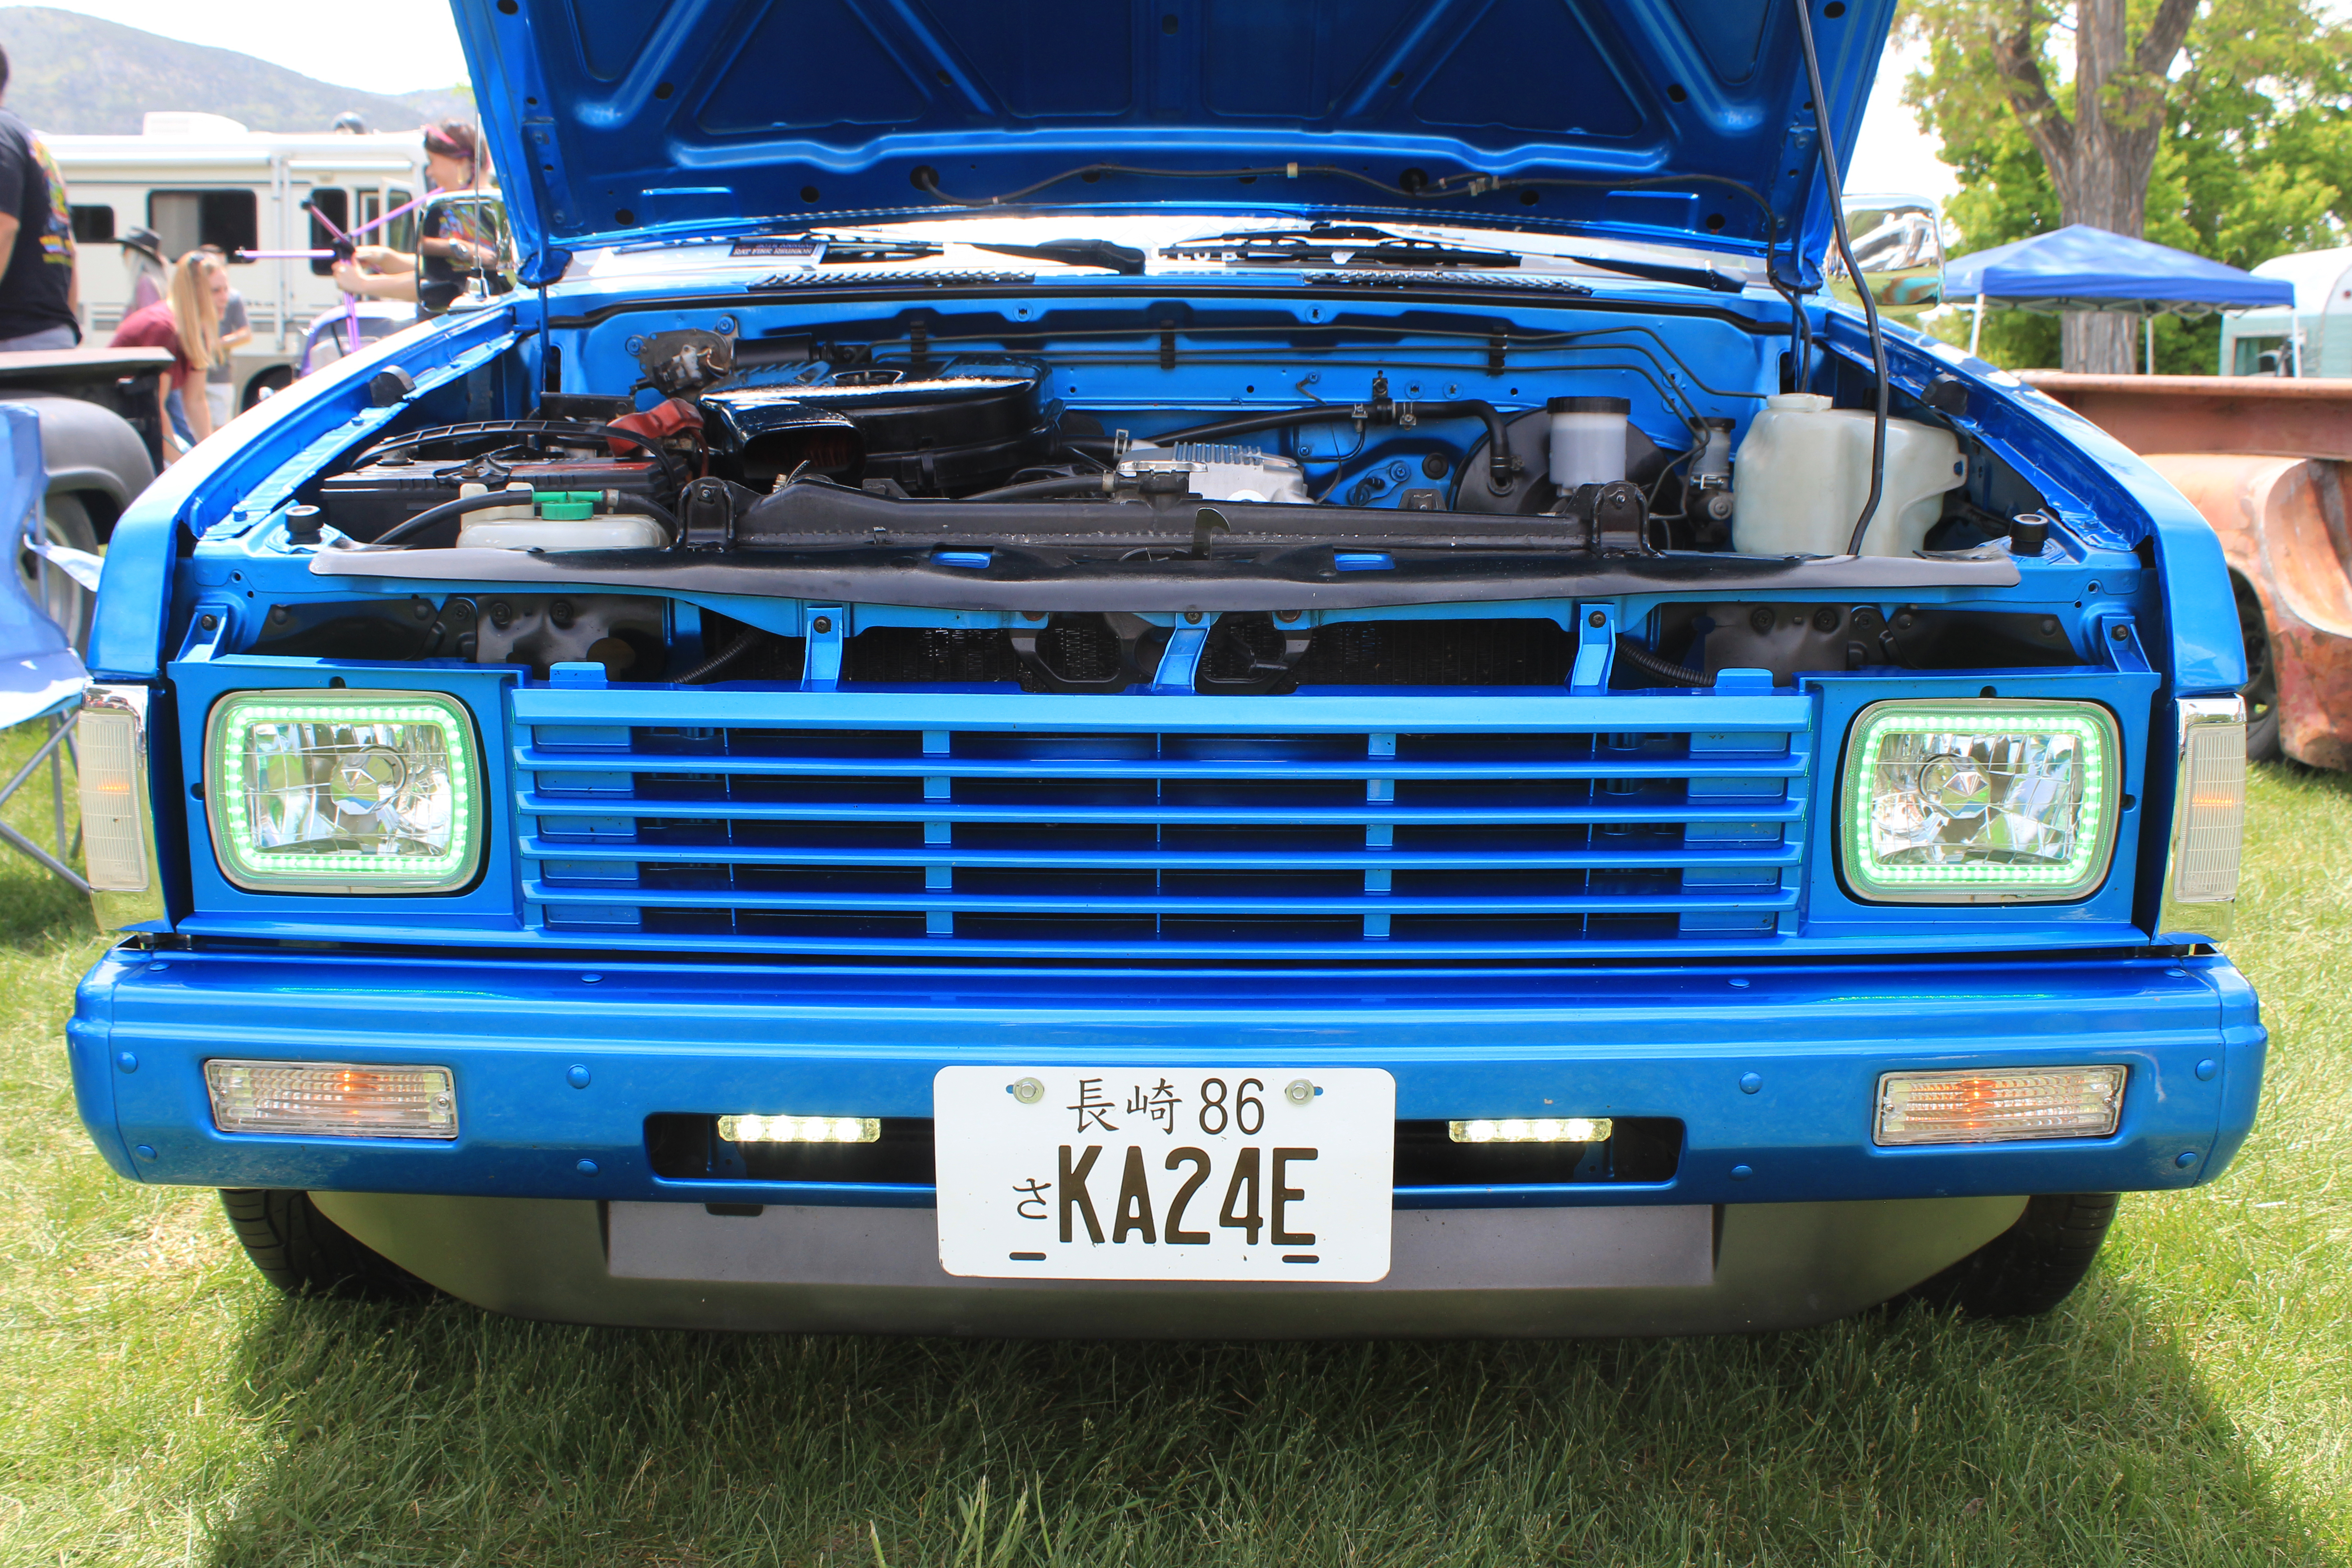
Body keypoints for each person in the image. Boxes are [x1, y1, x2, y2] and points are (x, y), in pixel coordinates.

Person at [334, 121, 504, 315]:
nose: (430, 172)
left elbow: (443, 285)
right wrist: (387, 258)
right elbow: (436, 269)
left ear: (461, 163)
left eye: (432, 161)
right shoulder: (463, 208)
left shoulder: (484, 210)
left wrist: (364, 284)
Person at [109, 249, 225, 465]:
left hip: (142, 419)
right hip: (119, 417)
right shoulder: (164, 328)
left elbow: (196, 400)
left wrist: (212, 458)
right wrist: (182, 466)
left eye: (226, 289)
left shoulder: (198, 331)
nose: (225, 298)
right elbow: (155, 407)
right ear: (195, 294)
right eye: (216, 291)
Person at [0, 43, 80, 352]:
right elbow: (70, 250)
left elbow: (4, 227)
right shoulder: (34, 144)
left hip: (12, 342)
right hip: (49, 336)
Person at [198, 243, 251, 430]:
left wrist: (218, 344)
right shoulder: (191, 306)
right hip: (196, 376)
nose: (223, 297)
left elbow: (246, 334)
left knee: (220, 430)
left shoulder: (233, 298)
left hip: (220, 374)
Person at [121, 226, 166, 312]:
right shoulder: (152, 280)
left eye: (125, 250)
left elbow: (150, 320)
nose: (123, 255)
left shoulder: (146, 283)